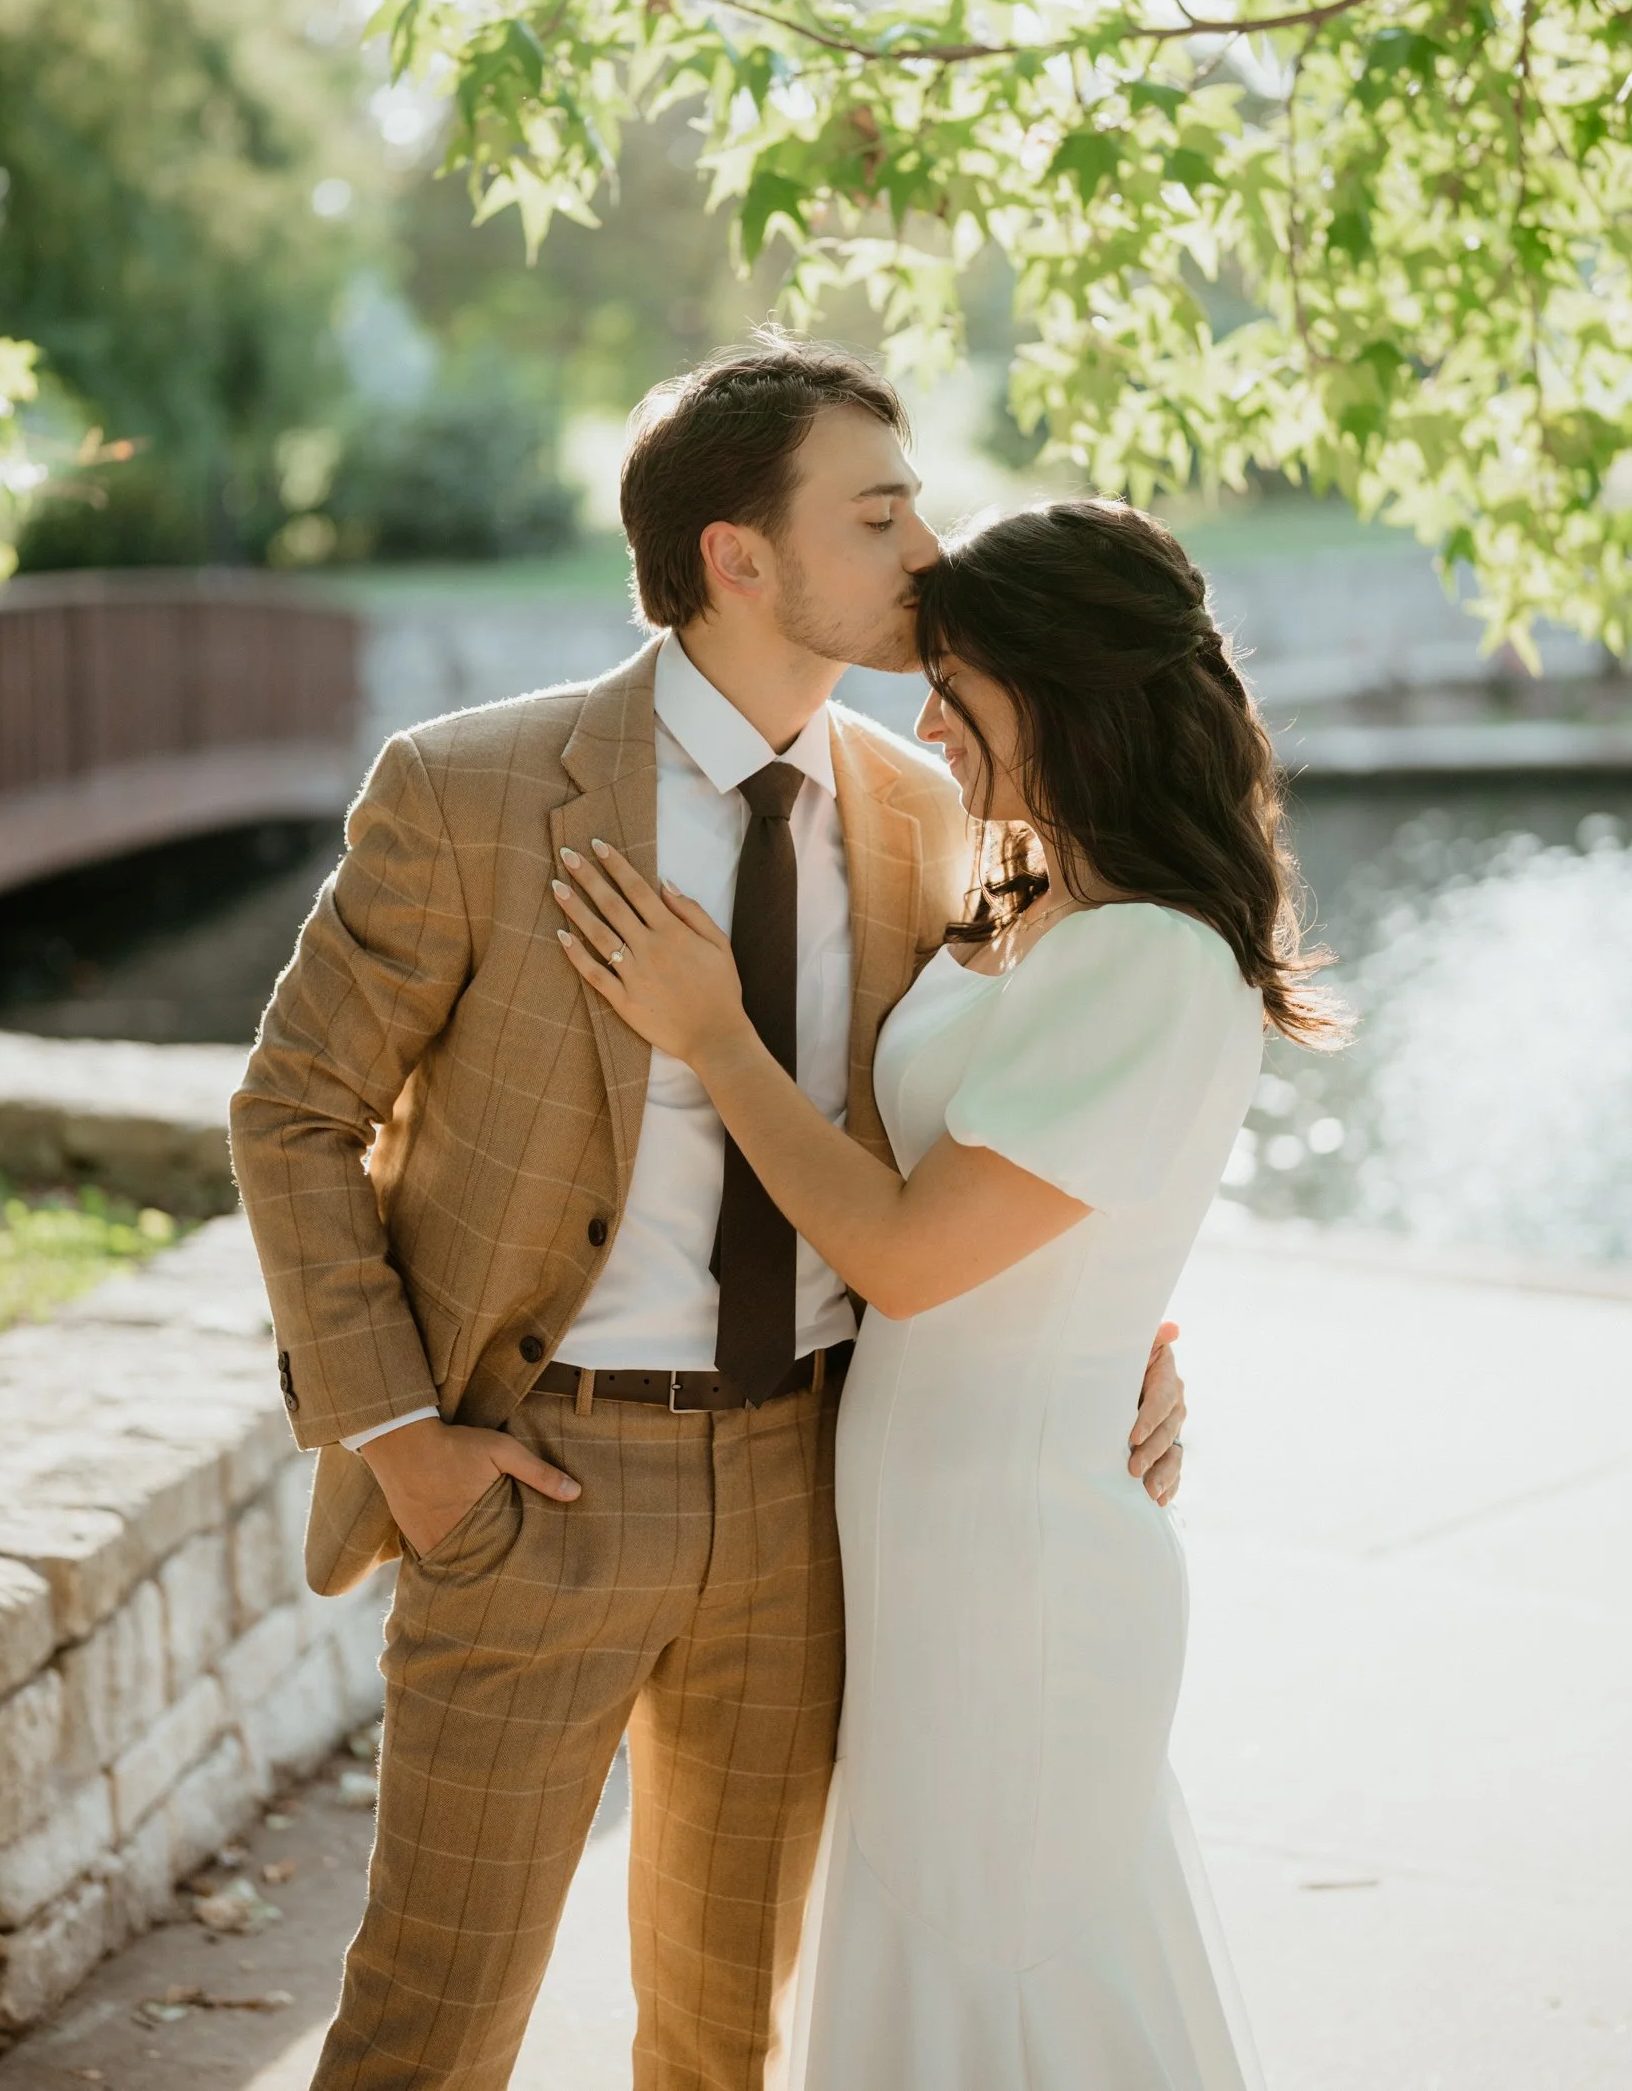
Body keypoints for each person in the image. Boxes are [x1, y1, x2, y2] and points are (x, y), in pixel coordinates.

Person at [229, 338, 1193, 2091]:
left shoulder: (925, 814)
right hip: (533, 1485)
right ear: (737, 557)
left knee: (724, 2037)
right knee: (427, 2030)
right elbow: (293, 1112)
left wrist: (1119, 1339)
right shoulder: (471, 790)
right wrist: (400, 1437)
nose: (925, 552)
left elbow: (1047, 1103)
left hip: (812, 1497)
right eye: (880, 513)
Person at [555, 495, 1344, 2091]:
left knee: (1013, 1984)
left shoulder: (1150, 959)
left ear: (1063, 690)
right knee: (940, 1969)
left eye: (959, 682)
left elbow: (910, 1253)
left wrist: (714, 1036)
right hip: (935, 1561)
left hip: (1024, 1577)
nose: (921, 720)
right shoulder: (1022, 904)